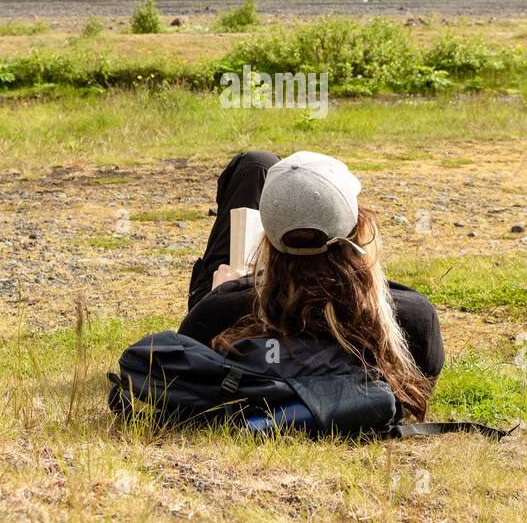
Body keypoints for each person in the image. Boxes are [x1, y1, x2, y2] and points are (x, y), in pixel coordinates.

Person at [181, 150, 444, 420]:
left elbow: (186, 376)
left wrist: (220, 295)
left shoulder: (219, 313)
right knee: (258, 164)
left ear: (266, 241)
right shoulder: (414, 317)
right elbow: (420, 387)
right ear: (357, 231)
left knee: (255, 164)